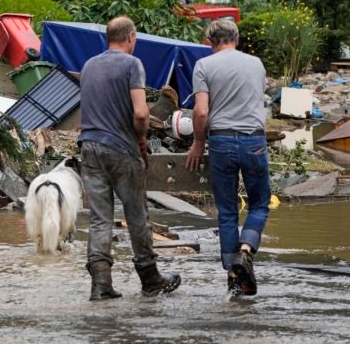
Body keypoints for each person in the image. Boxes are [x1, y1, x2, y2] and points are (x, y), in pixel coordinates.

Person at [78, 16, 181, 301]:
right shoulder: (132, 64)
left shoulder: (89, 65)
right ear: (131, 37)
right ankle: (150, 279)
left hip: (88, 148)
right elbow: (140, 113)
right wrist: (141, 138)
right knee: (136, 214)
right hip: (121, 149)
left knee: (100, 219)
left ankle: (101, 285)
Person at [185, 20, 270, 296]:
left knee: (228, 211)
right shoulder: (256, 63)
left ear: (210, 41)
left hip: (221, 140)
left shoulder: (204, 66)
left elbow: (200, 112)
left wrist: (198, 143)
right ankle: (247, 248)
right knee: (259, 203)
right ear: (237, 38)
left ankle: (234, 273)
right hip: (254, 140)